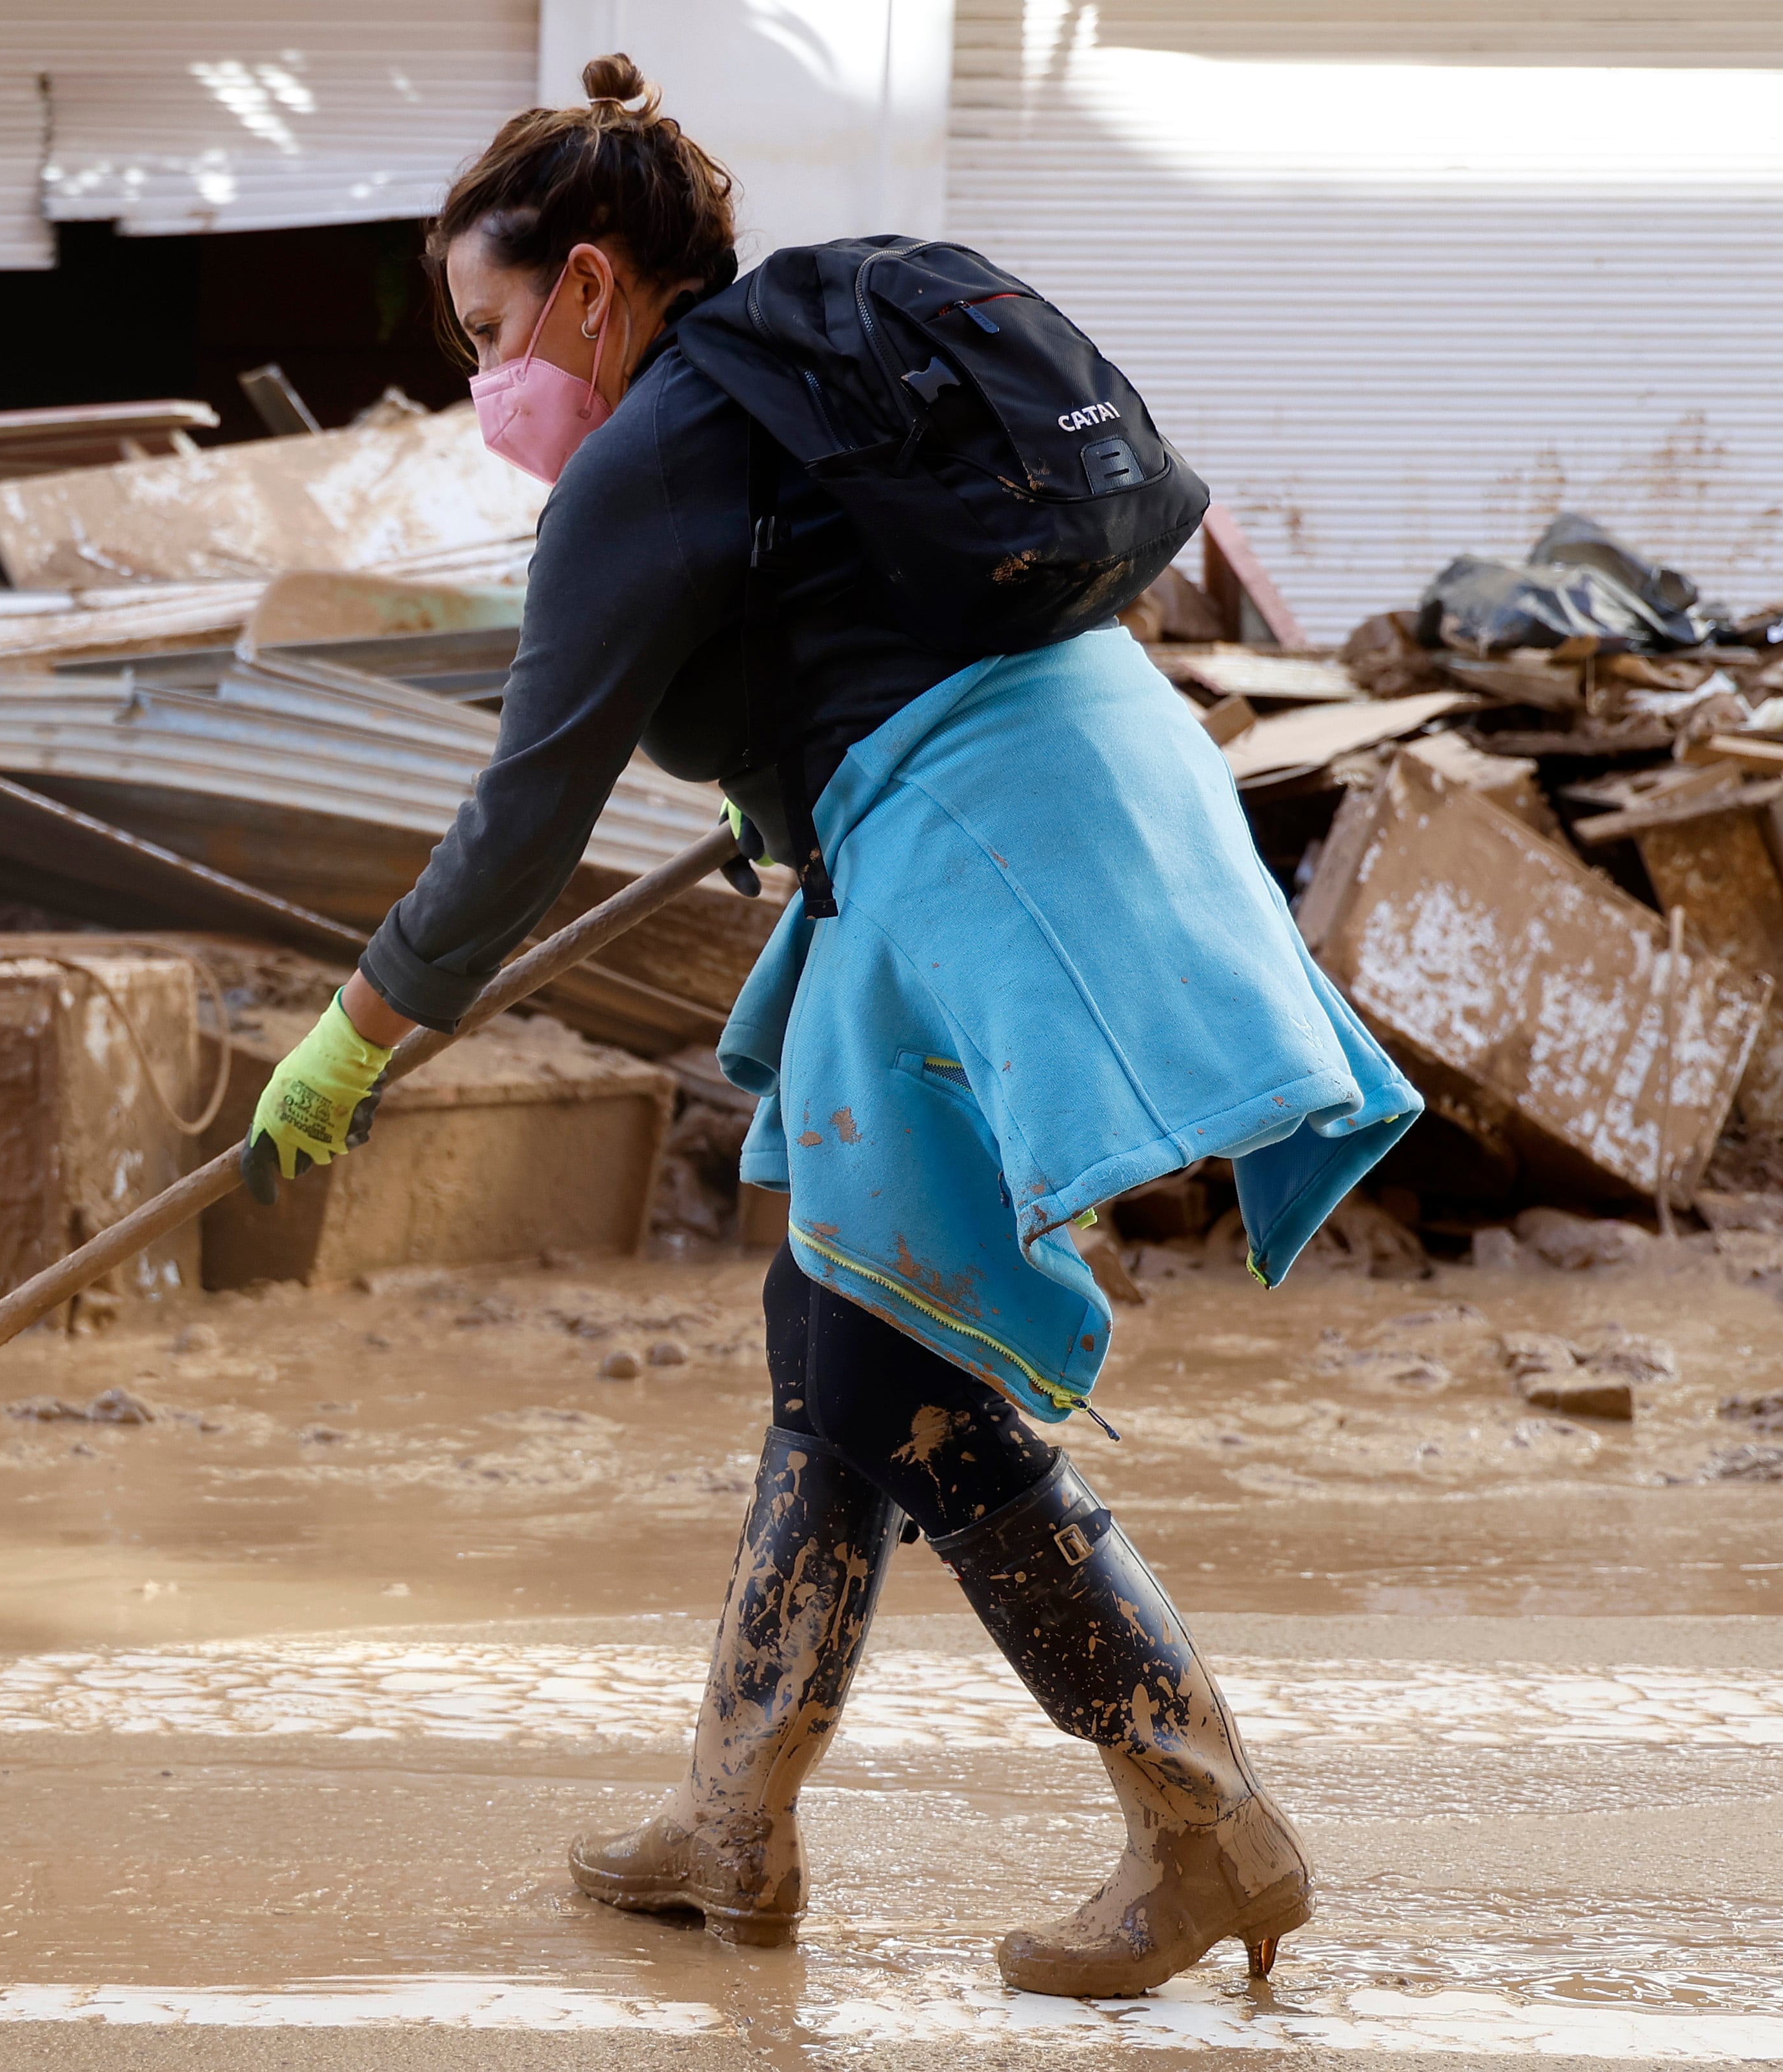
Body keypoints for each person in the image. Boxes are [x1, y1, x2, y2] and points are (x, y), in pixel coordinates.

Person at [240, 55, 1422, 2000]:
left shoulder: (649, 451)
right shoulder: (785, 388)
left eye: (487, 331)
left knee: (912, 1393)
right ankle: (732, 1818)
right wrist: (776, 781)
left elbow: (518, 814)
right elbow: (849, 632)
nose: (486, 384)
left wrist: (358, 1031)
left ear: (592, 289)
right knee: (833, 1334)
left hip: (977, 844)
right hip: (1082, 773)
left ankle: (1202, 1820)